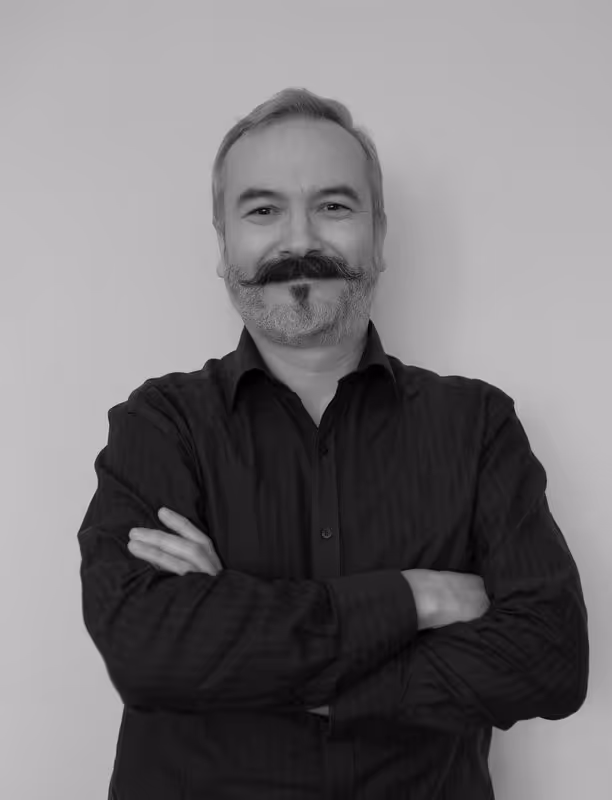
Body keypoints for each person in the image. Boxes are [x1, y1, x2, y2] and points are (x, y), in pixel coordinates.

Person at [78, 87, 589, 799]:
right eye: (262, 210)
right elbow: (147, 648)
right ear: (224, 243)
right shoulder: (159, 425)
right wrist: (414, 600)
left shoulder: (476, 425)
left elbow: (550, 658)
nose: (299, 242)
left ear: (379, 235)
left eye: (334, 206)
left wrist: (251, 643)